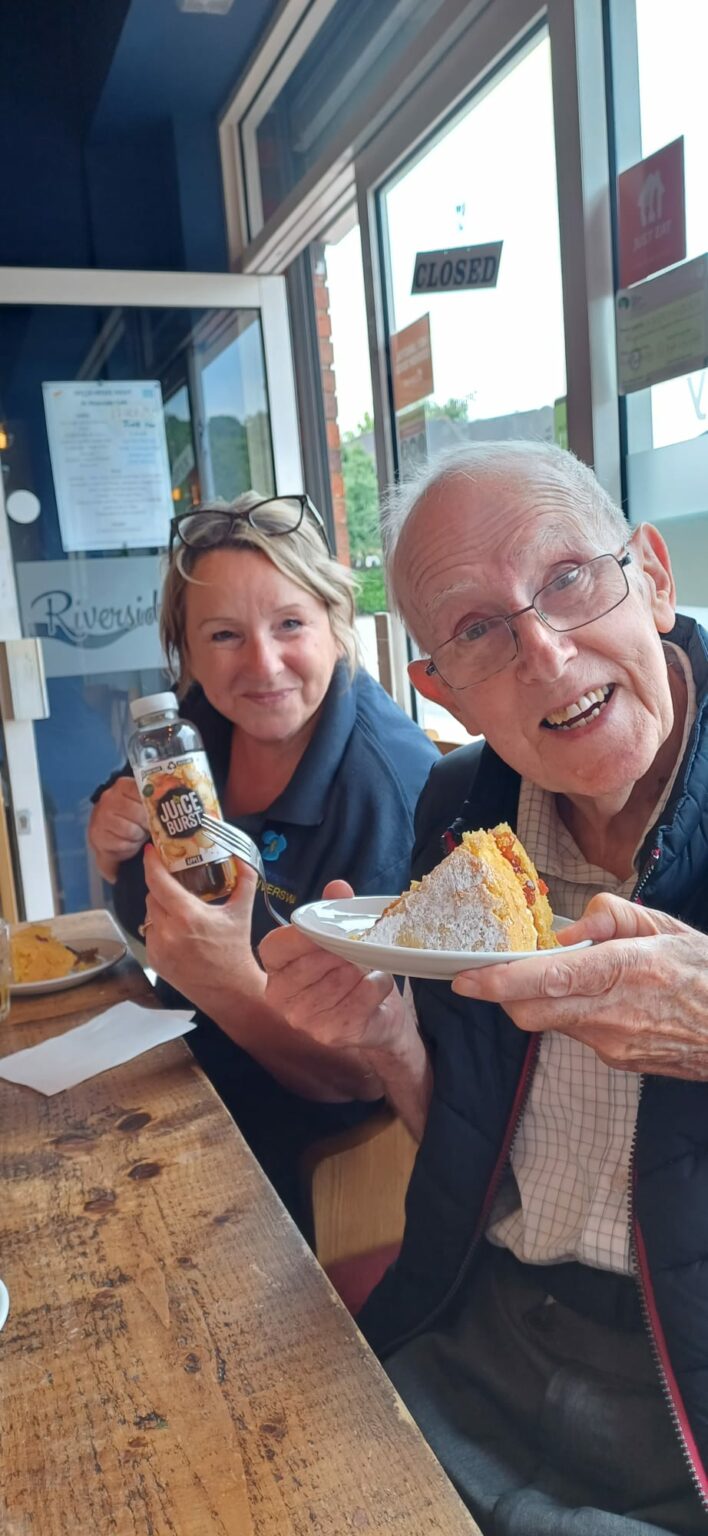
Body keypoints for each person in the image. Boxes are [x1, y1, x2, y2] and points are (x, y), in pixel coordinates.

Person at [260, 444, 708, 1534]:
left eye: (570, 578)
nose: (545, 652)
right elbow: (472, 1141)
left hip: (680, 1399)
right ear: (442, 691)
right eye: (476, 629)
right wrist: (388, 1043)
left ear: (653, 578)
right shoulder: (460, 813)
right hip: (476, 1326)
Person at [88, 492, 438, 1228]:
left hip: (307, 1162)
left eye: (289, 624)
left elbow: (369, 1076)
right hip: (180, 1070)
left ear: (336, 623)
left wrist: (228, 982)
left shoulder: (389, 791)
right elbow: (138, 890)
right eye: (223, 635)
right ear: (185, 654)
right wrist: (108, 845)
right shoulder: (192, 732)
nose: (262, 664)